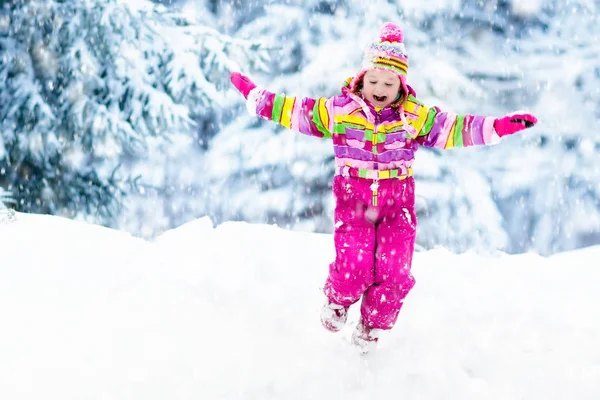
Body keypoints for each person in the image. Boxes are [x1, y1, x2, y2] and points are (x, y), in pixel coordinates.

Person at [229, 22, 537, 352]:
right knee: (355, 264)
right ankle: (338, 300)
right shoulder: (339, 111)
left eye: (389, 82)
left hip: (396, 208)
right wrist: (256, 96)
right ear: (361, 80)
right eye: (373, 80)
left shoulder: (412, 116)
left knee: (395, 272)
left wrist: (499, 127)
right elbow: (295, 112)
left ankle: (371, 328)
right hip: (354, 205)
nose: (380, 87)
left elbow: (456, 128)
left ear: (401, 85)